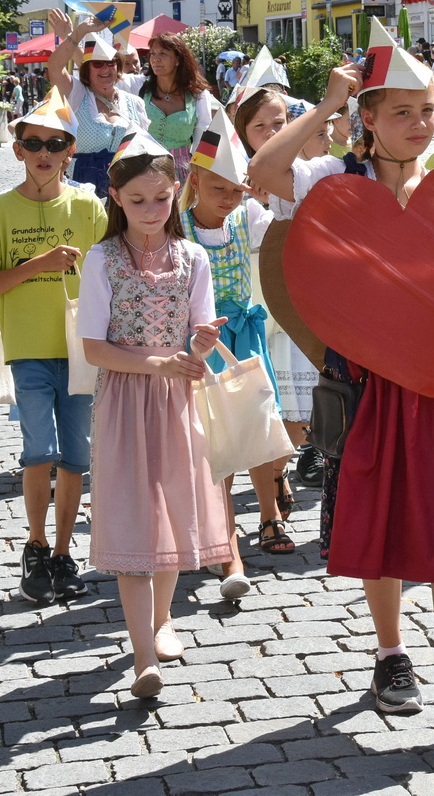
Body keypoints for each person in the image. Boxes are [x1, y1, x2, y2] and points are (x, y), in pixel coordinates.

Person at [248, 25, 434, 758]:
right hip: (368, 383)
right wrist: (328, 101)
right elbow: (262, 168)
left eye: (427, 109)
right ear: (368, 116)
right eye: (401, 111)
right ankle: (390, 652)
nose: (420, 124)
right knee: (383, 523)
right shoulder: (335, 180)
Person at [79, 135, 231, 698]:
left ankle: (163, 619)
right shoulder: (103, 259)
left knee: (170, 505)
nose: (151, 211)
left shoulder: (193, 257)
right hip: (124, 399)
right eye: (139, 200)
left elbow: (198, 340)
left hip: (175, 399)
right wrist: (157, 362)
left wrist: (202, 343)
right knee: (132, 513)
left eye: (162, 199)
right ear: (115, 198)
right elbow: (94, 348)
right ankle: (143, 653)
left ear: (176, 194)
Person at [0, 89, 108, 605]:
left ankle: (64, 552)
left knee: (76, 456)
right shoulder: (2, 211)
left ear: (71, 149)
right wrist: (37, 266)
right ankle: (35, 544)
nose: (44, 152)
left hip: (82, 350)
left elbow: (111, 272)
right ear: (18, 150)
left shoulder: (89, 205)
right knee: (38, 451)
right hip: (27, 347)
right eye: (33, 143)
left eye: (55, 143)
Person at [182, 119, 292, 572]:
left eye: (235, 189)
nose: (228, 199)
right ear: (195, 182)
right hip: (200, 342)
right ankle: (219, 530)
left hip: (244, 336)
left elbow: (288, 236)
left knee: (258, 424)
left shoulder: (248, 217)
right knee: (215, 435)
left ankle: (269, 516)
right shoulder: (179, 227)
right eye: (217, 189)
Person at [233, 87, 320, 486]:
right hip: (253, 304)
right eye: (260, 126)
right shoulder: (233, 185)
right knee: (263, 397)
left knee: (297, 397)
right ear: (243, 131)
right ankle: (271, 479)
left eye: (279, 124)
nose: (271, 133)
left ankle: (283, 468)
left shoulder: (306, 174)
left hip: (295, 303)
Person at [45, 13, 146, 197]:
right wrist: (79, 32)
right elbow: (54, 67)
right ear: (87, 69)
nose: (105, 69)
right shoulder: (77, 95)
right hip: (83, 186)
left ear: (118, 67)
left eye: (111, 63)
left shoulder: (134, 102)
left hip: (127, 187)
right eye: (97, 64)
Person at [132, 31, 219, 186]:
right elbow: (106, 78)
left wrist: (198, 166)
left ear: (178, 59)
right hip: (144, 167)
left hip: (183, 170)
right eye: (152, 53)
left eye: (163, 53)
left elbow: (203, 131)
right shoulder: (140, 87)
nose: (156, 59)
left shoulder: (197, 95)